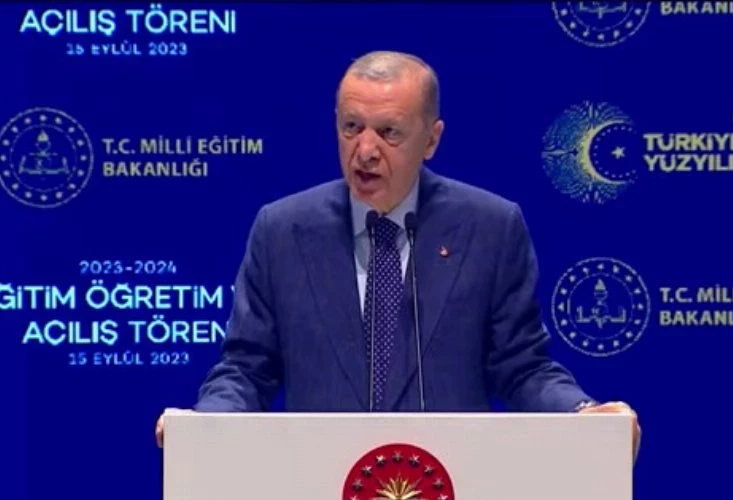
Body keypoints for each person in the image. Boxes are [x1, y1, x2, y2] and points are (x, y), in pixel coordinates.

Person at [155, 50, 640, 460]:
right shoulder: (283, 231)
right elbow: (247, 368)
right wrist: (204, 425)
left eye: (389, 132)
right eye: (351, 127)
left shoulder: (490, 228)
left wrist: (582, 414)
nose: (365, 150)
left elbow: (522, 367)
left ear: (431, 139)